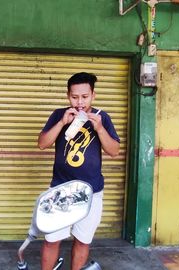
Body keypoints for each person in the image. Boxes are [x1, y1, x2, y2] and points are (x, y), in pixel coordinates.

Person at [37, 72, 120, 270]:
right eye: (75, 97)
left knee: (82, 240)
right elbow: (42, 144)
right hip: (61, 190)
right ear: (68, 96)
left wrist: (99, 129)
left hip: (92, 191)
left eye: (85, 96)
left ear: (93, 95)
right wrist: (61, 123)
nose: (80, 102)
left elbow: (114, 151)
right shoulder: (59, 114)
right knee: (51, 239)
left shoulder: (103, 117)